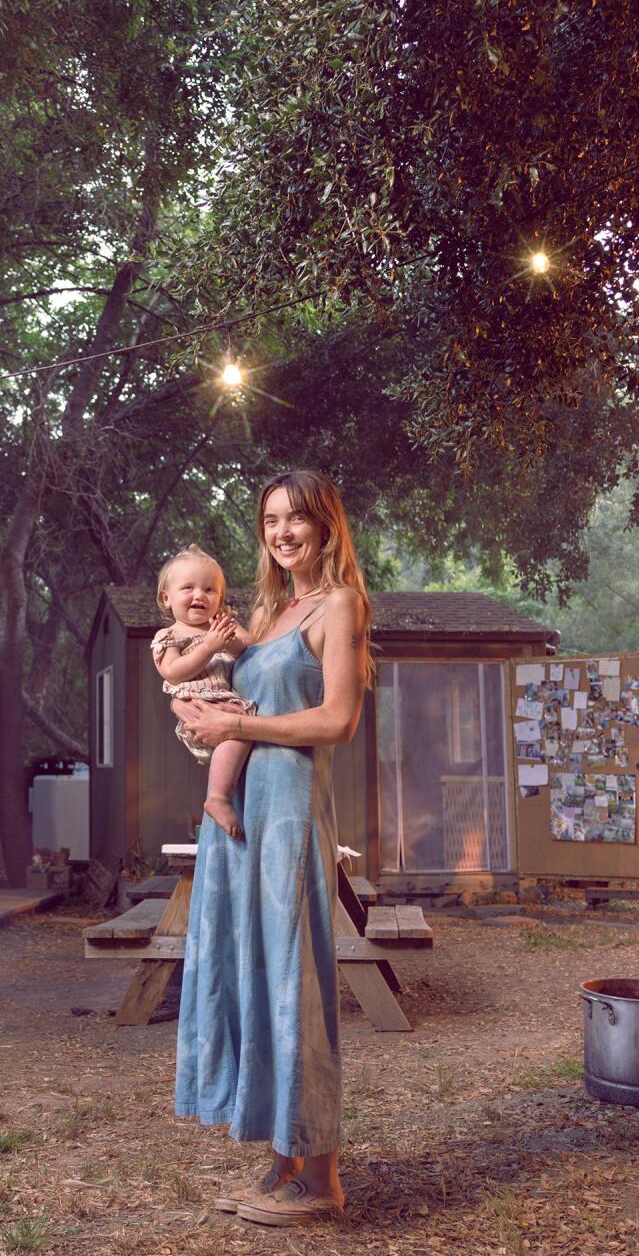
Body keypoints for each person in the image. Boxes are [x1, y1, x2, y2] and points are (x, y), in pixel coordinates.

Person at [170, 469, 371, 1227]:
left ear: (326, 525)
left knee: (295, 979)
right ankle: (283, 1158)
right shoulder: (270, 611)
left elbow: (339, 720)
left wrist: (237, 729)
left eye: (297, 518)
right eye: (270, 519)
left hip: (288, 816)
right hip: (240, 818)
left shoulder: (339, 605)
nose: (282, 531)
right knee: (252, 974)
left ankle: (321, 1177)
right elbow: (231, 698)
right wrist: (202, 714)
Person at [150, 546, 254, 842]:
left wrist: (229, 638)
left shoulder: (220, 627)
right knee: (238, 729)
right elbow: (172, 671)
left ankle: (224, 794)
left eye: (210, 589)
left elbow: (251, 648)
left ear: (220, 599)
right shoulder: (169, 636)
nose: (200, 595)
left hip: (224, 703)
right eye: (188, 588)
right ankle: (217, 797)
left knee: (241, 728)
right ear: (166, 599)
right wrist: (209, 646)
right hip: (198, 706)